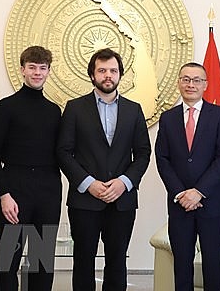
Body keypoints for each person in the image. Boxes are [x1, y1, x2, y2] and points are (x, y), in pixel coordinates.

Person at [57, 48, 151, 291]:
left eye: (113, 70)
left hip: (123, 200)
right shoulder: (75, 108)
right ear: (92, 75)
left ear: (120, 74)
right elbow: (64, 152)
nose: (108, 75)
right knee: (83, 261)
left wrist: (124, 182)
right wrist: (89, 183)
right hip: (84, 200)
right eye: (102, 70)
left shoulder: (134, 110)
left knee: (117, 260)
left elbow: (142, 154)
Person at [0, 46, 62, 291]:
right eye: (32, 67)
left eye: (42, 68)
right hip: (14, 187)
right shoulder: (5, 107)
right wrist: (4, 194)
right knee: (9, 260)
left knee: (42, 260)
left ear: (49, 71)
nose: (37, 73)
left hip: (48, 190)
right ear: (22, 70)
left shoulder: (54, 111)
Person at [155, 62, 220, 290]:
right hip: (180, 205)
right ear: (179, 82)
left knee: (213, 267)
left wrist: (198, 192)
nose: (191, 84)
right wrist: (181, 193)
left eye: (197, 80)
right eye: (186, 79)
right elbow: (162, 159)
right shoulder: (168, 118)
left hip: (212, 204)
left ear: (205, 84)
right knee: (182, 266)